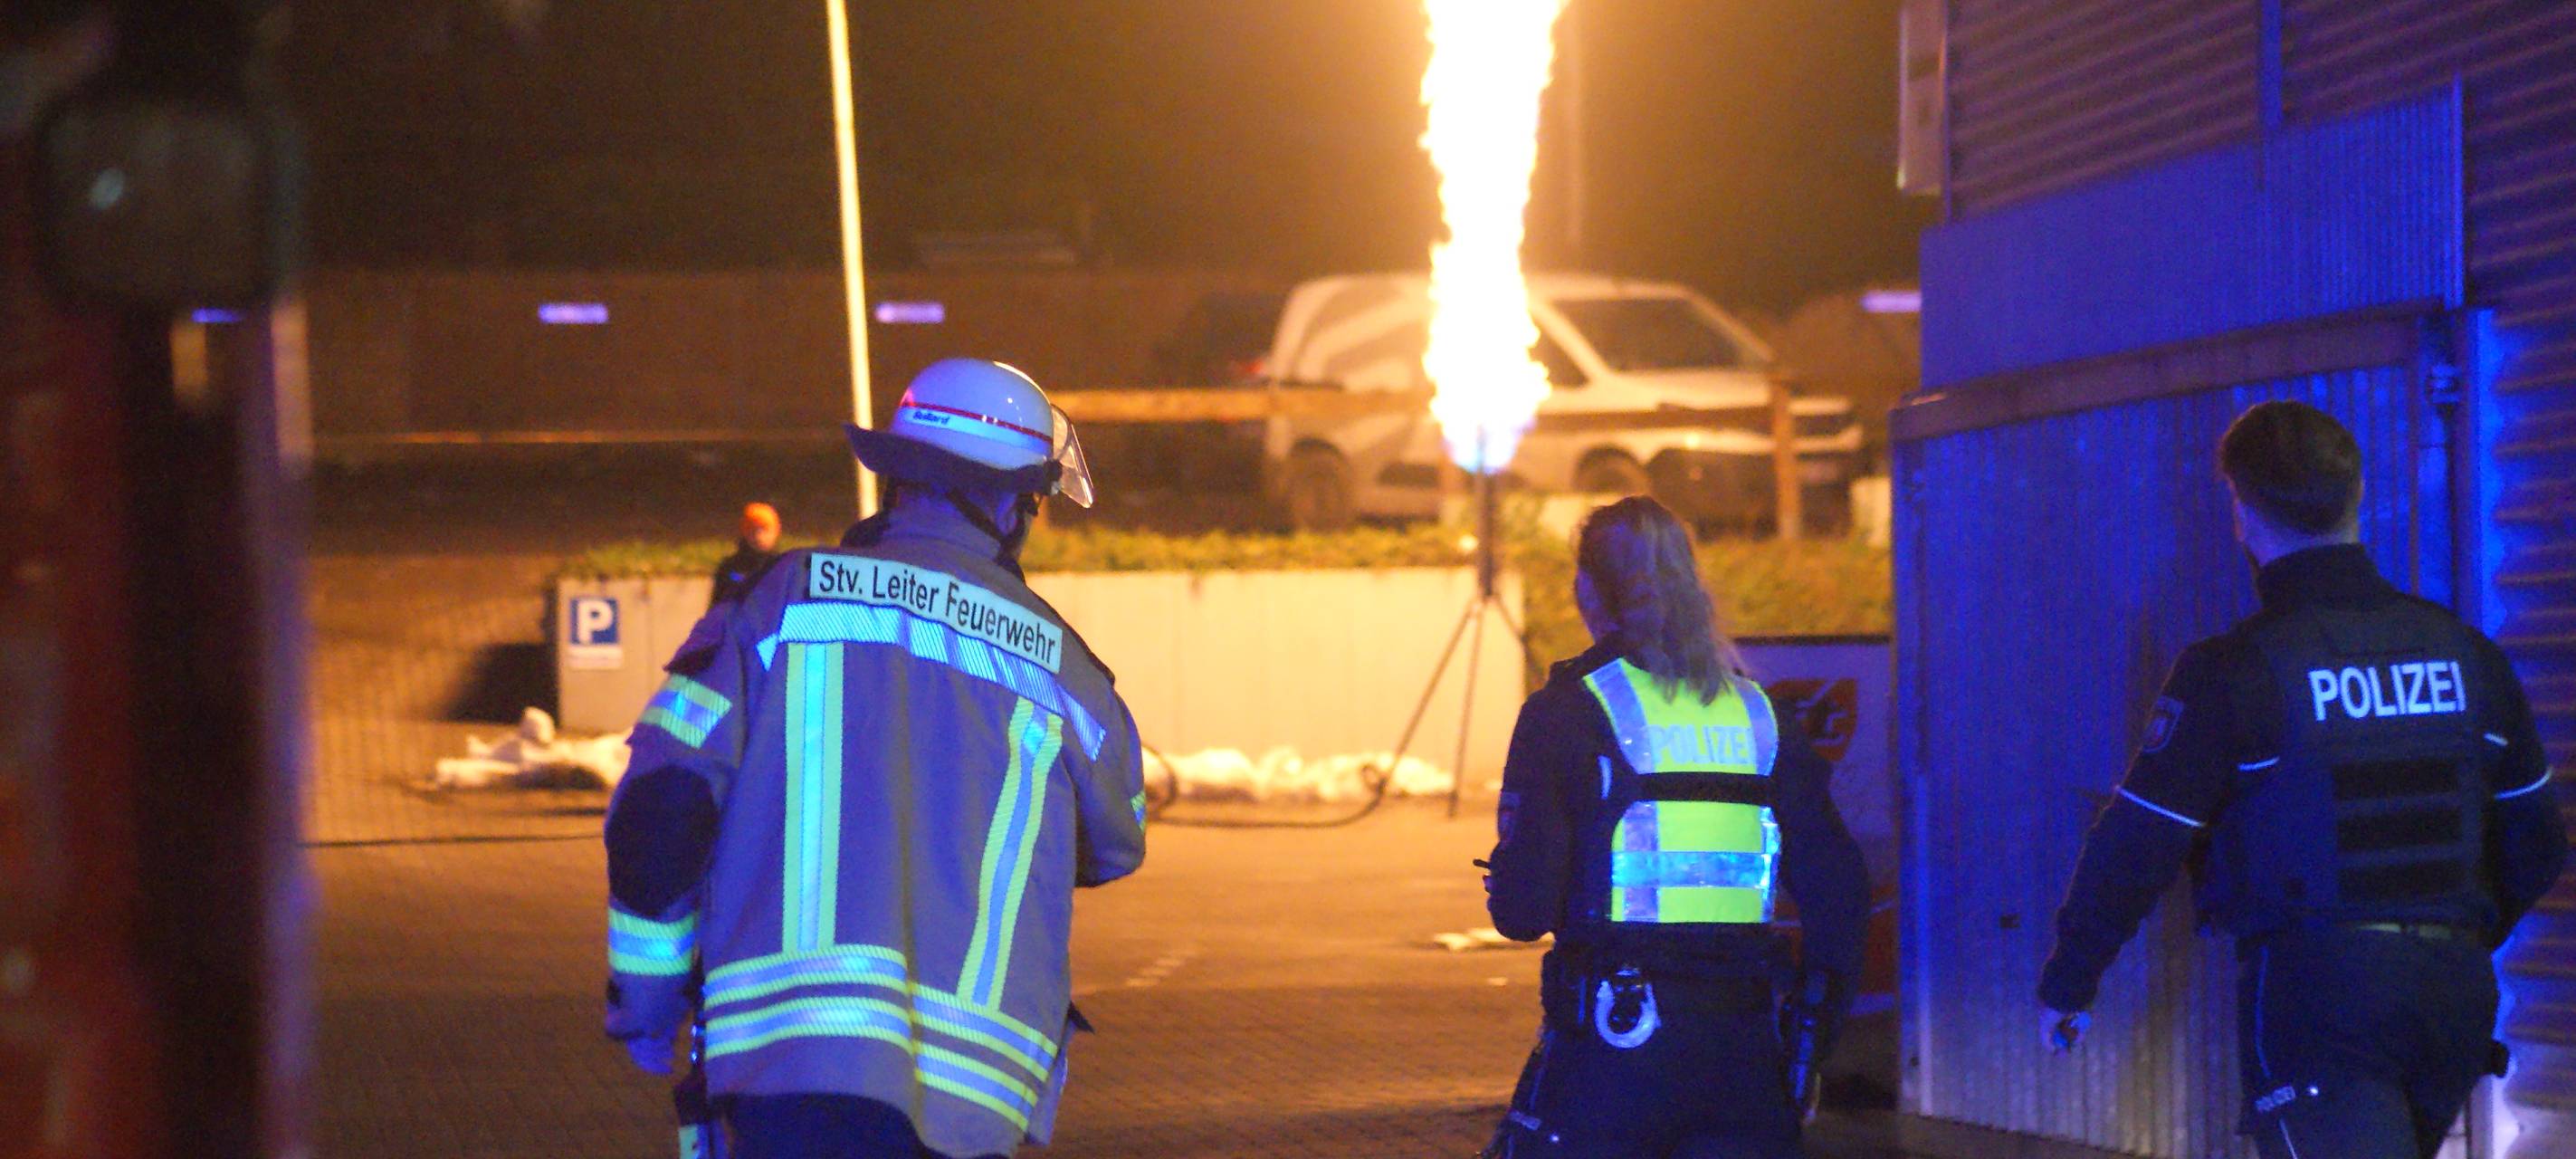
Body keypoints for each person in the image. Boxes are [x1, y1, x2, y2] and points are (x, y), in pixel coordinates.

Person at [602, 359, 1148, 1159]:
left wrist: (645, 1005)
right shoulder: (1064, 672)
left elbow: (664, 804)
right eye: (1032, 502)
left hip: (784, 1075)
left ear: (900, 473)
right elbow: (1119, 839)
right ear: (1003, 501)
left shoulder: (778, 603)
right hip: (967, 1110)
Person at [2037, 401, 2568, 1159]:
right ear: (2355, 500)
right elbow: (2539, 842)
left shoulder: (2237, 672)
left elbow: (2136, 845)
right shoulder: (2466, 654)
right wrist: (2447, 929)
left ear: (2241, 513)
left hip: (2319, 994)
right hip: (2453, 991)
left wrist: (2070, 980)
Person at [1480, 495, 1870, 1159]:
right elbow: (1841, 893)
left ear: (1588, 589)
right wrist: (1807, 1038)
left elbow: (1523, 910)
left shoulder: (1566, 711)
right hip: (1745, 1059)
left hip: (1614, 1056)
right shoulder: (1761, 716)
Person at [711, 502, 784, 605]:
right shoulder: (729, 568)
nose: (759, 536)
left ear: (776, 532)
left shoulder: (784, 568)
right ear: (744, 532)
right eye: (753, 530)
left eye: (765, 529)